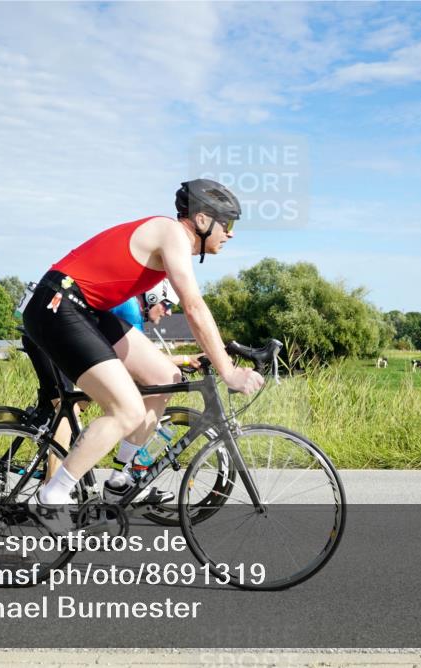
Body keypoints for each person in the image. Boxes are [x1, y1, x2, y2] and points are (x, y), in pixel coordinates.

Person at [22, 179, 263, 532]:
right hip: (58, 304)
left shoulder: (174, 241)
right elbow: (193, 306)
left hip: (87, 310)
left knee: (166, 377)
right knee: (127, 409)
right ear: (201, 220)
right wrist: (228, 371)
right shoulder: (171, 233)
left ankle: (119, 480)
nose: (231, 233)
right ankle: (52, 496)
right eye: (226, 223)